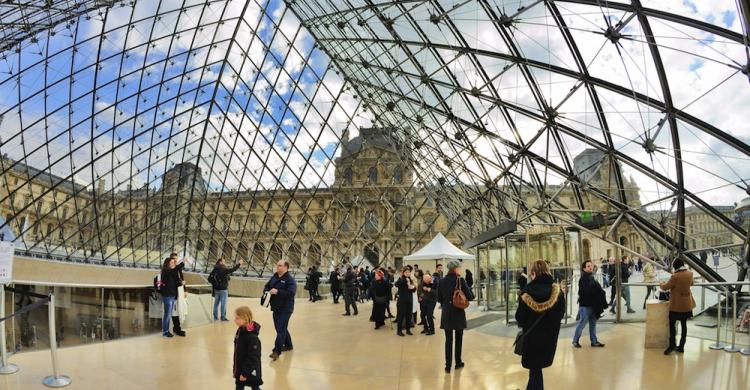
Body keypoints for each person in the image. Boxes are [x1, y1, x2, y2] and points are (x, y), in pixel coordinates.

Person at [515, 260, 565, 390]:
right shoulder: (557, 292)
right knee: (536, 370)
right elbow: (560, 314)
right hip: (549, 338)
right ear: (548, 271)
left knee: (535, 369)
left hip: (532, 339)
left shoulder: (526, 293)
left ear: (533, 274)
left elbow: (520, 318)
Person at [437, 260, 474, 373]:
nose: (460, 269)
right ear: (455, 269)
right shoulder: (460, 280)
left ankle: (448, 365)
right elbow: (470, 296)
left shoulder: (442, 281)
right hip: (458, 312)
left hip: (447, 313)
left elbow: (439, 298)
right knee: (459, 338)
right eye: (459, 267)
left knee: (448, 340)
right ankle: (458, 362)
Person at [263, 260, 297, 361]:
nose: (277, 267)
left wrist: (277, 291)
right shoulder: (275, 277)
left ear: (286, 267)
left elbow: (291, 293)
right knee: (280, 328)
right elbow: (267, 286)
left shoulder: (290, 280)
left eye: (280, 266)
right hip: (275, 308)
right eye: (277, 265)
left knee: (280, 329)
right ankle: (288, 345)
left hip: (285, 308)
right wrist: (266, 291)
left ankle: (276, 351)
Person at [660, 258, 695, 355]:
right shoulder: (690, 274)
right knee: (684, 325)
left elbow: (665, 287)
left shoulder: (675, 276)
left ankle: (672, 346)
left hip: (676, 305)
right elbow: (692, 283)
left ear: (675, 266)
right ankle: (681, 346)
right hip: (687, 304)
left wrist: (661, 283)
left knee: (672, 325)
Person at [572, 260, 606, 348]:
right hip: (586, 306)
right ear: (584, 268)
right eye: (588, 266)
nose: (590, 267)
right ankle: (575, 341)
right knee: (582, 324)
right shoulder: (583, 279)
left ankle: (594, 341)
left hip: (593, 305)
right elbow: (584, 292)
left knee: (593, 324)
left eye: (591, 266)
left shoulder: (591, 277)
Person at [233, 306, 262, 390]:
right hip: (241, 367)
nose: (235, 320)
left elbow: (253, 357)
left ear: (245, 319)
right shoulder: (240, 331)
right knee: (239, 386)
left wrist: (245, 373)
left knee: (255, 386)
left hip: (250, 370)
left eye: (237, 318)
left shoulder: (252, 338)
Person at [160, 255, 189, 337]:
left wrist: (181, 283)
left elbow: (174, 283)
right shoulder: (166, 271)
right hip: (168, 296)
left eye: (174, 262)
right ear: (167, 264)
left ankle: (168, 331)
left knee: (169, 314)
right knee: (167, 314)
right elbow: (176, 269)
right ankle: (165, 332)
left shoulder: (171, 272)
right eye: (172, 262)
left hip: (172, 295)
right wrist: (183, 261)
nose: (173, 264)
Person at [210, 257, 243, 321]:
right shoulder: (223, 269)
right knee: (223, 303)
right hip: (223, 289)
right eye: (224, 261)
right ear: (220, 262)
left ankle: (215, 317)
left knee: (216, 304)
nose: (225, 263)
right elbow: (232, 270)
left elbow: (210, 278)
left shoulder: (215, 269)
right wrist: (239, 264)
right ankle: (223, 317)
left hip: (216, 289)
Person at [394, 267, 416, 336]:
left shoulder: (411, 279)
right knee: (401, 315)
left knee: (409, 315)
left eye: (409, 272)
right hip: (402, 300)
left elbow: (413, 290)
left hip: (409, 300)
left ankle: (408, 330)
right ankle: (399, 331)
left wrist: (413, 288)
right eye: (406, 272)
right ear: (403, 273)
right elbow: (396, 284)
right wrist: (404, 280)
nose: (407, 273)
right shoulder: (401, 279)